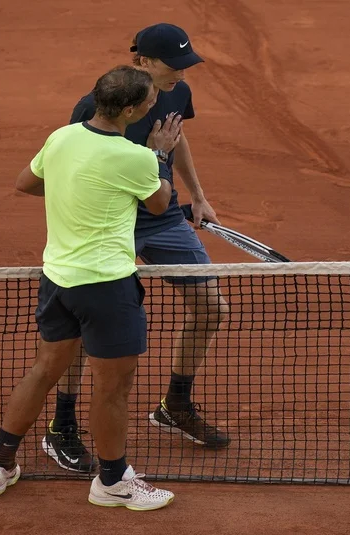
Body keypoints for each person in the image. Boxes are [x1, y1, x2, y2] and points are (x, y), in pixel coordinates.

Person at [0, 65, 183, 511]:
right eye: (148, 100)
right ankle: (111, 482)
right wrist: (161, 156)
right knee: (112, 389)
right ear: (128, 109)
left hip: (57, 281)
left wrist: (76, 190)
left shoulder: (62, 137)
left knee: (44, 369)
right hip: (106, 287)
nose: (154, 104)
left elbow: (26, 183)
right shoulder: (136, 157)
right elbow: (160, 202)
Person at [42, 23, 231, 475]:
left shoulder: (175, 93)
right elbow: (78, 167)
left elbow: (176, 137)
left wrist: (199, 196)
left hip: (161, 213)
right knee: (87, 325)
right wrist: (155, 162)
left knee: (210, 306)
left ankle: (175, 404)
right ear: (142, 62)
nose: (182, 74)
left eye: (187, 65)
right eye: (174, 66)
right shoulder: (94, 107)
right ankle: (61, 426)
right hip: (113, 219)